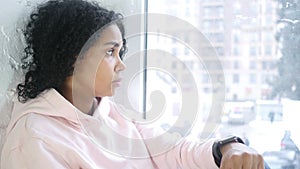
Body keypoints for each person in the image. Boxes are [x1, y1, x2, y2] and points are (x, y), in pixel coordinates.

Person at [1, 0, 266, 168]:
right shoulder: (35, 139)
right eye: (109, 52)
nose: (121, 64)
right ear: (74, 57)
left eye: (120, 52)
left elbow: (173, 150)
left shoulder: (114, 111)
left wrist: (228, 148)